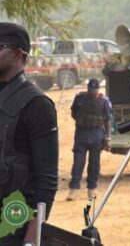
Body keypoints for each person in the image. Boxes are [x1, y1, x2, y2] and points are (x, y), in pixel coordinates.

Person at [0, 22, 58, 245]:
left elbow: (47, 179)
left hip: (13, 218)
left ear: (16, 54)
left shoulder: (37, 105)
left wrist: (34, 236)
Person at [66, 78, 112, 201]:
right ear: (87, 89)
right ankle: (73, 190)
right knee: (78, 164)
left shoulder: (104, 101)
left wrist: (108, 138)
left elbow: (107, 120)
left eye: (95, 90)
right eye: (91, 90)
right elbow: (73, 113)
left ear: (98, 89)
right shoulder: (80, 98)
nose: (93, 92)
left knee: (94, 165)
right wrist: (83, 121)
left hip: (97, 136)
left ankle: (91, 189)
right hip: (81, 135)